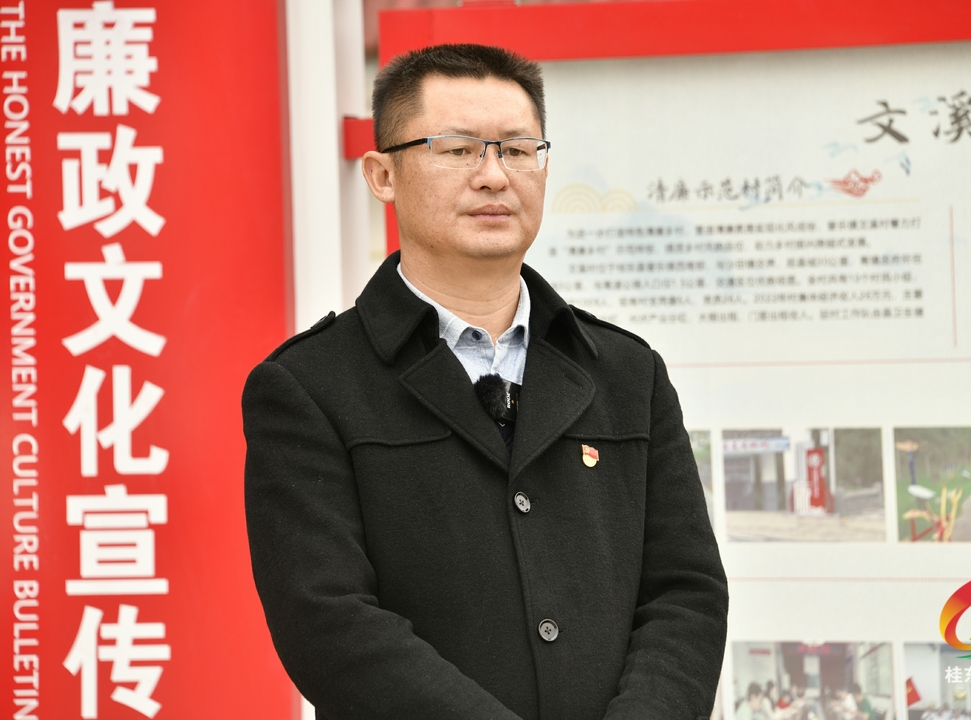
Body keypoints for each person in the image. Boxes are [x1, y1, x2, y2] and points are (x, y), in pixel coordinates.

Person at [242, 43, 728, 720]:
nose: (495, 176)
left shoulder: (626, 372)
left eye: (519, 150)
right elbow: (327, 622)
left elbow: (685, 592)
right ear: (382, 175)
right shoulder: (309, 386)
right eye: (458, 149)